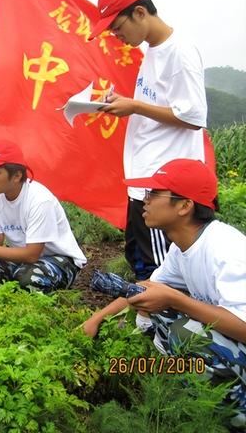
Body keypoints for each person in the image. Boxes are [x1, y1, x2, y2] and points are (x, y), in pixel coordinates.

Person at [82, 159, 245, 425]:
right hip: (232, 347)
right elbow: (148, 288)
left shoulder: (225, 248)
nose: (145, 200)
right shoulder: (182, 247)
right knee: (154, 313)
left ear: (184, 205)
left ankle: (234, 417)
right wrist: (97, 318)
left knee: (182, 328)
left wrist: (175, 299)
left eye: (154, 193)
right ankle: (194, 395)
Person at [89, 0, 208, 280]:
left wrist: (135, 107)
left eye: (117, 27)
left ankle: (165, 324)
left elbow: (193, 116)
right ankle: (148, 321)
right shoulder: (153, 51)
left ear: (140, 13)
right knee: (140, 259)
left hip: (162, 181)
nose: (116, 36)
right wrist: (125, 104)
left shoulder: (178, 52)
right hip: (144, 178)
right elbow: (158, 106)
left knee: (160, 270)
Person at [0, 142, 86, 293]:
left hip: (58, 259)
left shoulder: (39, 200)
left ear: (17, 176)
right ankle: (16, 288)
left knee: (29, 278)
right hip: (22, 260)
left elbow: (32, 254)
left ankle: (20, 286)